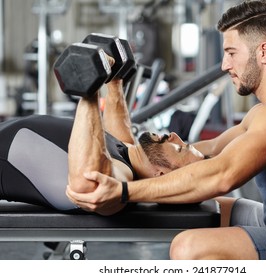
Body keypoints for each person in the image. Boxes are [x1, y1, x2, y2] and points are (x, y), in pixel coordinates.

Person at [66, 0, 266, 260]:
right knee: (211, 208)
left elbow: (223, 175)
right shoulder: (265, 111)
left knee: (188, 247)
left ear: (263, 52)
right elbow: (202, 152)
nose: (225, 65)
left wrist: (125, 191)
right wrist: (137, 155)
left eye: (231, 53)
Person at [0, 76, 205, 213]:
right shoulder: (127, 154)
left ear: (161, 174)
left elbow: (88, 185)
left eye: (179, 148)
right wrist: (115, 79)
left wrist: (90, 89)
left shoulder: (121, 177)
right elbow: (118, 125)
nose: (174, 135)